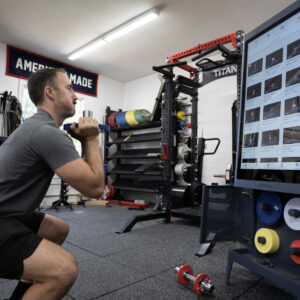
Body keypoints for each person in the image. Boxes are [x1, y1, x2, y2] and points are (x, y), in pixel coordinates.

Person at [0, 68, 105, 299]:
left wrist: (85, 142)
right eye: (69, 88)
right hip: (3, 219)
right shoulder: (46, 132)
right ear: (50, 92)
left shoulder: (35, 127)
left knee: (58, 229)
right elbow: (96, 188)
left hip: (10, 213)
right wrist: (92, 138)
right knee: (64, 269)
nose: (75, 96)